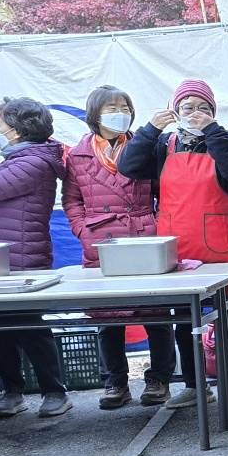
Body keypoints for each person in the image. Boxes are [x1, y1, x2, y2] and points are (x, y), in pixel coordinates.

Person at [118, 78, 228, 404]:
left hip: (224, 245)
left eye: (203, 108)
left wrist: (212, 131)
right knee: (184, 319)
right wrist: (151, 128)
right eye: (187, 107)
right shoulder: (163, 145)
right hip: (178, 245)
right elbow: (128, 166)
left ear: (214, 112)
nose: (195, 113)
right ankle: (194, 386)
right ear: (175, 111)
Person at [62, 85, 180, 410]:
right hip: (100, 242)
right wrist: (82, 230)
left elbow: (164, 192)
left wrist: (158, 226)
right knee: (107, 317)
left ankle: (160, 379)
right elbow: (71, 200)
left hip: (144, 238)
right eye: (112, 108)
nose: (121, 113)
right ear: (94, 115)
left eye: (125, 107)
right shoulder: (78, 154)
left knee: (156, 313)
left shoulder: (147, 146)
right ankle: (115, 381)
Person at [0, 97, 71, 418]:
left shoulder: (34, 162)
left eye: (0, 123)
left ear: (18, 130)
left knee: (30, 327)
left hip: (23, 256)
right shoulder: (17, 158)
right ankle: (11, 391)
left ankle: (55, 391)